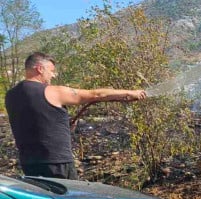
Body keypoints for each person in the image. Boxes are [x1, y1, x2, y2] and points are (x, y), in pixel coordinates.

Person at [4, 52, 147, 180]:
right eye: (51, 71)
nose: (53, 75)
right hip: (57, 163)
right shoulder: (53, 91)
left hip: (28, 163)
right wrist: (130, 93)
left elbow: (36, 120)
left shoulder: (10, 96)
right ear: (40, 69)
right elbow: (95, 95)